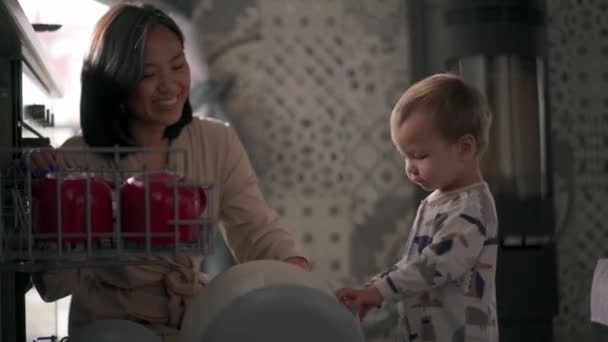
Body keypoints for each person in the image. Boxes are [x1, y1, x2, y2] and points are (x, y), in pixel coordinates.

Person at [29, 3, 308, 341]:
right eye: (149, 74)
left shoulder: (215, 141)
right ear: (114, 81)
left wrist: (299, 277)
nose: (170, 85)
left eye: (178, 65)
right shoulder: (75, 159)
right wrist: (52, 201)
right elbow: (53, 286)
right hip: (109, 329)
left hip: (191, 320)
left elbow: (255, 229)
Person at [336, 73, 498, 342]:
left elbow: (437, 264)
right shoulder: (440, 200)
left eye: (420, 155)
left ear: (465, 148)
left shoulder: (470, 208)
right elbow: (413, 264)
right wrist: (374, 289)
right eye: (405, 156)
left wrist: (381, 291)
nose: (410, 168)